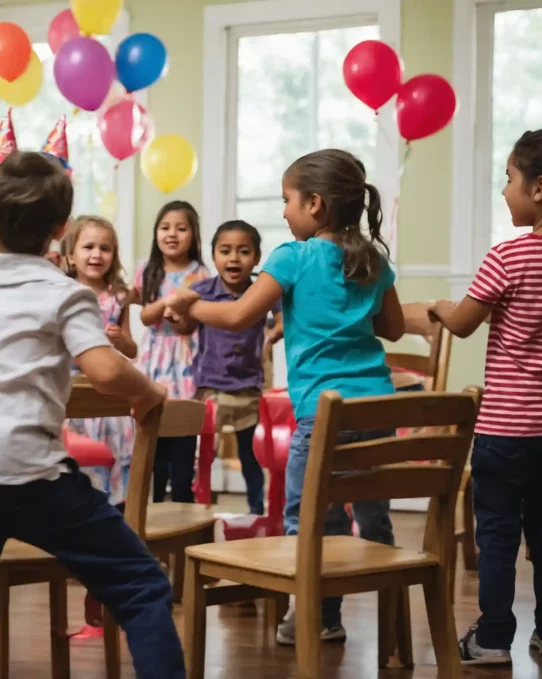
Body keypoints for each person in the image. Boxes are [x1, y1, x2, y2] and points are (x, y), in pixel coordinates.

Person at [0, 151, 183, 679]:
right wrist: (149, 390)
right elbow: (106, 372)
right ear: (61, 230)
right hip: (29, 474)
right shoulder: (63, 294)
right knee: (141, 584)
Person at [167, 149, 404, 645]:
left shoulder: (292, 257)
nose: (282, 211)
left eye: (287, 200)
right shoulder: (372, 259)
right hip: (377, 406)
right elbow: (394, 329)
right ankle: (392, 622)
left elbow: (237, 317)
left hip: (322, 413)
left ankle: (319, 616)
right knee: (371, 513)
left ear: (314, 204)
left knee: (311, 517)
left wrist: (192, 302)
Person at [430, 126, 542, 666]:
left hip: (504, 430)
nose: (504, 190)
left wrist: (437, 308)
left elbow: (465, 324)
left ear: (539, 187)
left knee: (496, 535)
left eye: (509, 179)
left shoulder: (508, 257)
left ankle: (494, 637)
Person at [60, 215, 138, 635]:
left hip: (110, 404)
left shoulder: (118, 298)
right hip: (76, 404)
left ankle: (110, 550)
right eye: (88, 247)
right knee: (80, 478)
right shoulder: (64, 295)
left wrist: (122, 342)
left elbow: (131, 347)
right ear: (70, 255)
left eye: (105, 248)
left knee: (114, 479)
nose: (97, 255)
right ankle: (81, 549)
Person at [190, 220, 282, 515]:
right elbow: (178, 316)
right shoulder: (202, 290)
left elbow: (282, 317)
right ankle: (199, 506)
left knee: (250, 454)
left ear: (256, 258)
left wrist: (274, 331)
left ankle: (257, 508)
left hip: (248, 388)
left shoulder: (261, 292)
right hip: (211, 387)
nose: (233, 258)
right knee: (204, 453)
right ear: (213, 255)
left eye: (243, 251)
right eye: (225, 251)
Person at [135, 200, 210, 503]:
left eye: (181, 228)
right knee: (153, 426)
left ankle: (182, 496)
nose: (172, 234)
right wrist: (168, 303)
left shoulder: (201, 274)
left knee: (182, 427)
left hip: (186, 356)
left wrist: (179, 317)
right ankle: (153, 500)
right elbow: (144, 316)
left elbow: (192, 324)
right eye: (165, 227)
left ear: (194, 235)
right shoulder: (148, 270)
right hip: (154, 356)